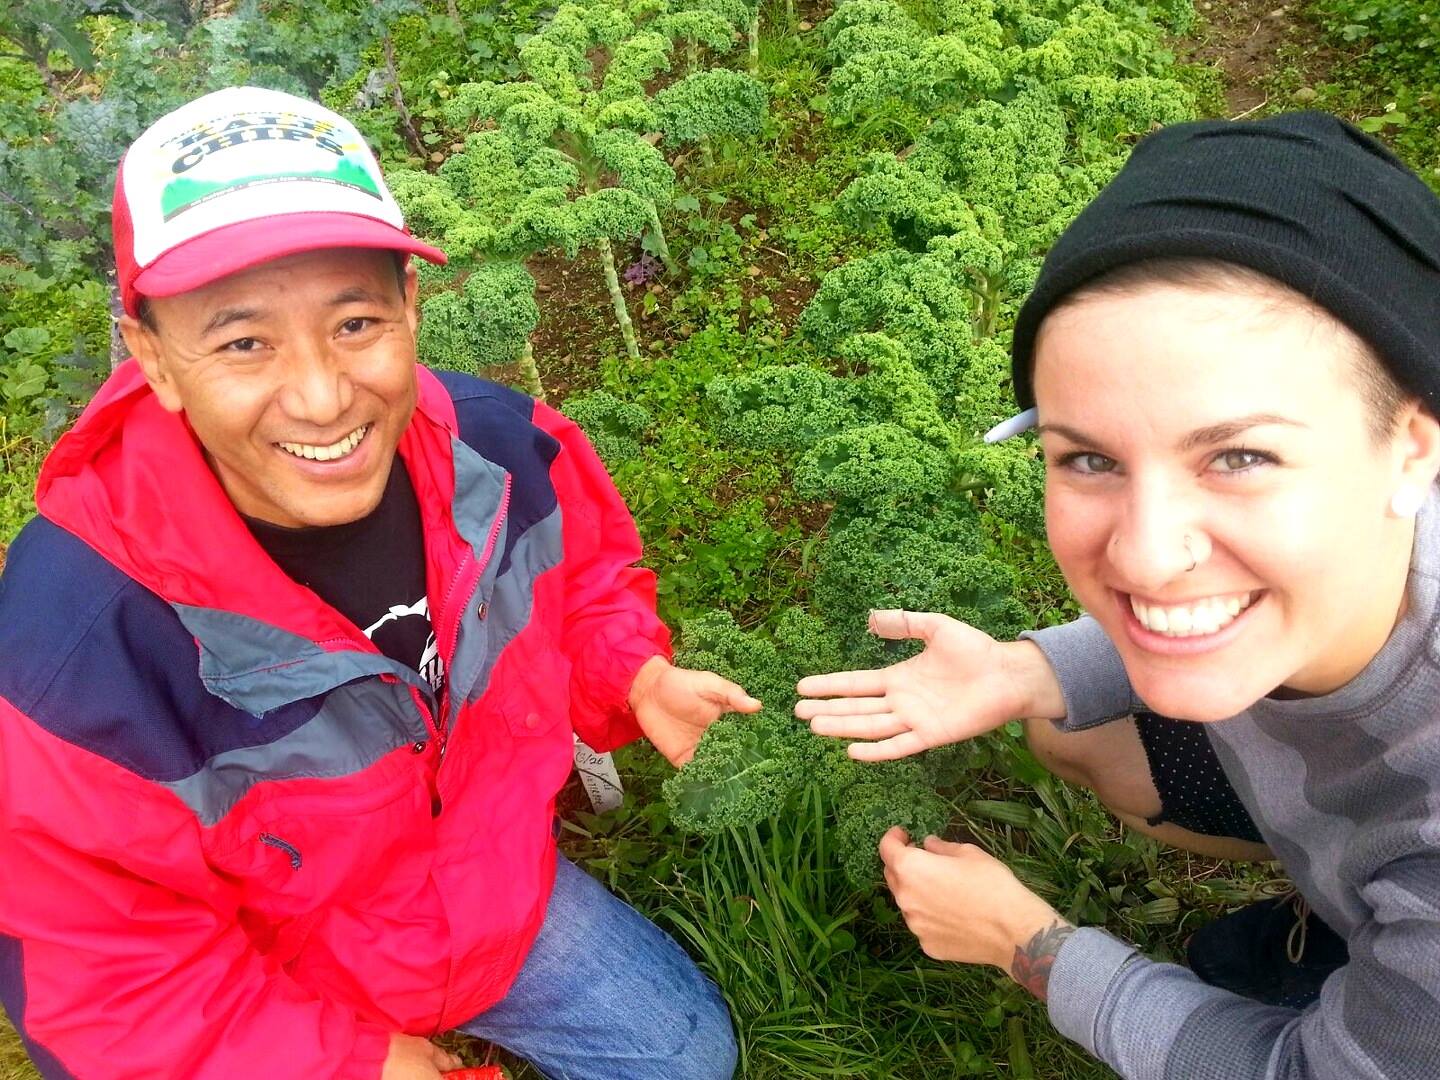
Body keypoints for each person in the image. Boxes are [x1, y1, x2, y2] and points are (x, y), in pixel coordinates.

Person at [0, 86, 753, 1079]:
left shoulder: (506, 453)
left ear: (409, 307)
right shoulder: (71, 659)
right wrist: (350, 1062)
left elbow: (585, 582)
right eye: (242, 342)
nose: (319, 395)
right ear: (156, 360)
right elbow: (113, 987)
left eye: (355, 322)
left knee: (690, 1060)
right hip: (267, 981)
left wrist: (631, 674)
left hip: (488, 892)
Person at [796, 111, 1440, 1078]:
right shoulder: (1355, 548)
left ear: (1413, 450)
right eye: (1088, 456)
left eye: (1240, 456)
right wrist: (1024, 670)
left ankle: (1385, 961)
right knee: (1068, 725)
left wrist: (1029, 942)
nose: (1143, 559)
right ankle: (1354, 920)